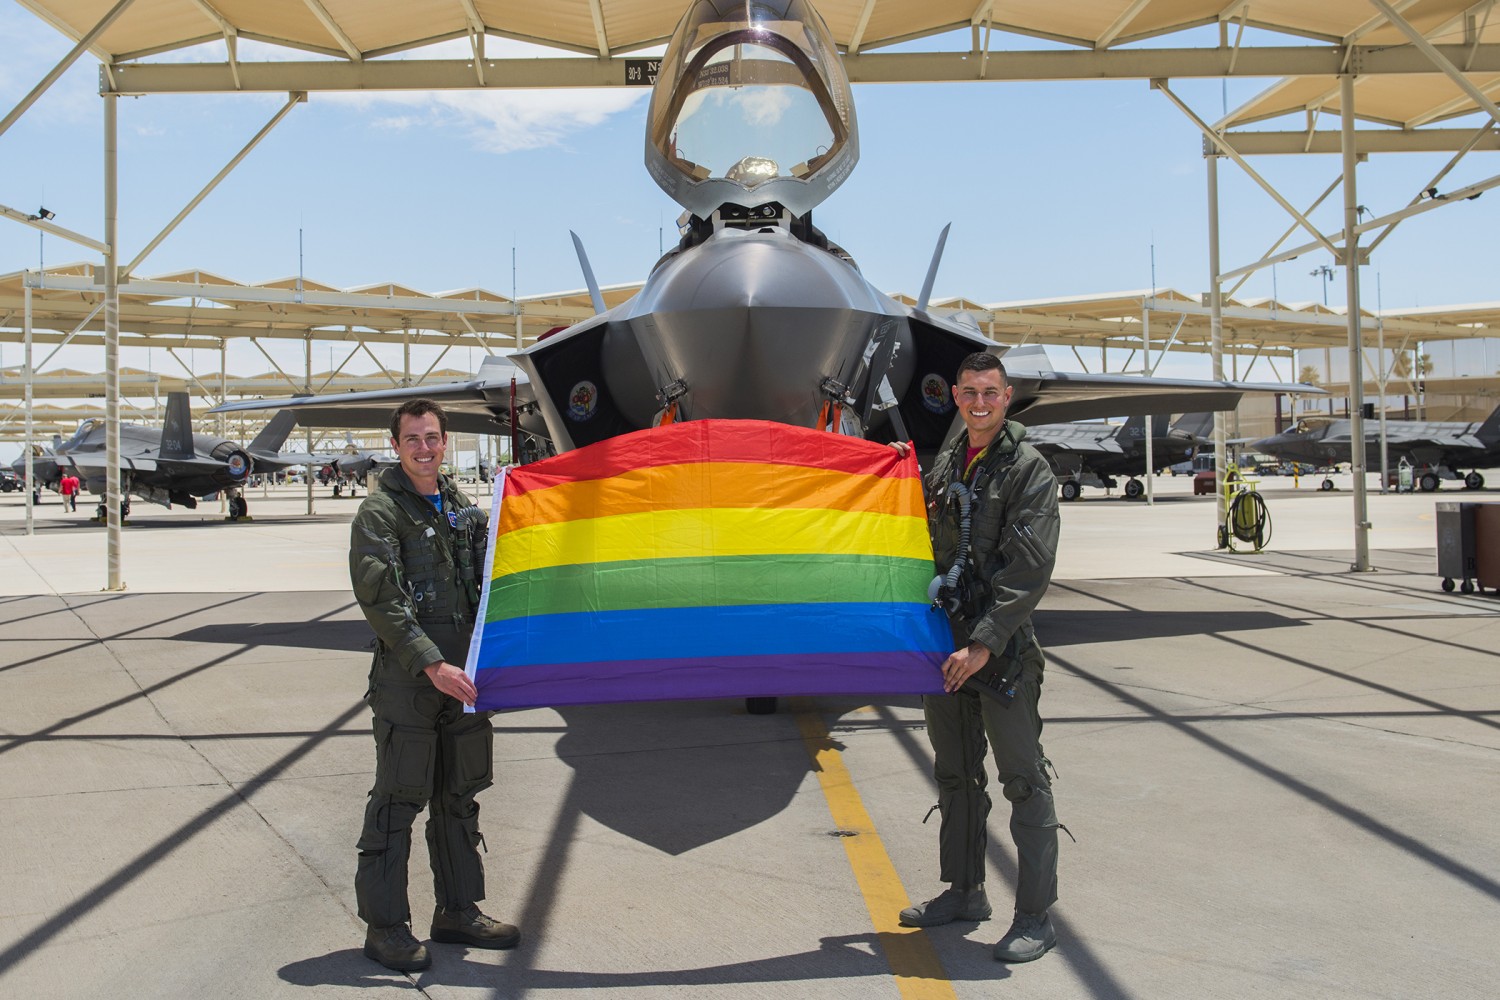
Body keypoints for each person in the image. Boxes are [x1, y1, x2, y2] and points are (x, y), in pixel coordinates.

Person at [892, 352, 1064, 963]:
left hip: (1000, 653)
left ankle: (1036, 917)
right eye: (969, 392)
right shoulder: (948, 461)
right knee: (955, 775)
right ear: (957, 397)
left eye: (990, 392)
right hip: (947, 650)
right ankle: (965, 892)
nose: (980, 402)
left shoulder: (1028, 469)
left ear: (1007, 396)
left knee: (1023, 780)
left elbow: (1029, 571)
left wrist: (983, 643)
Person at [348, 398, 519, 972]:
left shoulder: (459, 505)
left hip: (463, 679)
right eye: (413, 439)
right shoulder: (379, 513)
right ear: (396, 446)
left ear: (445, 442)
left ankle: (457, 910)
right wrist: (432, 666)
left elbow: (493, 569)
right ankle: (385, 928)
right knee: (398, 801)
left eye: (432, 438)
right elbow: (382, 602)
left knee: (458, 797)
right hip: (411, 683)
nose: (424, 448)